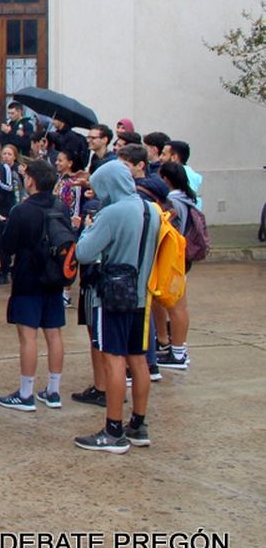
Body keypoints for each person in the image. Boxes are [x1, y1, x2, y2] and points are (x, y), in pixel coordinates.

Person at [71, 162, 160, 453]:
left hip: (111, 296)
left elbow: (84, 253)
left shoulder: (112, 213)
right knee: (138, 359)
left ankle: (113, 429)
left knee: (114, 359)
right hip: (141, 295)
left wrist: (87, 230)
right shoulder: (151, 210)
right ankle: (138, 424)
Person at [0, 159, 67, 415]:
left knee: (28, 337)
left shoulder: (22, 210)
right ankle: (54, 389)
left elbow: (8, 246)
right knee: (54, 333)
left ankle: (26, 393)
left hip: (28, 277)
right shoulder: (61, 206)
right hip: (55, 277)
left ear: (31, 181)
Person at [154, 161, 197, 371]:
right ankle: (178, 350)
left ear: (166, 180)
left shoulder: (173, 201)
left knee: (176, 307)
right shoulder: (188, 197)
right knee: (179, 306)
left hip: (173, 259)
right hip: (180, 258)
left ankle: (178, 353)